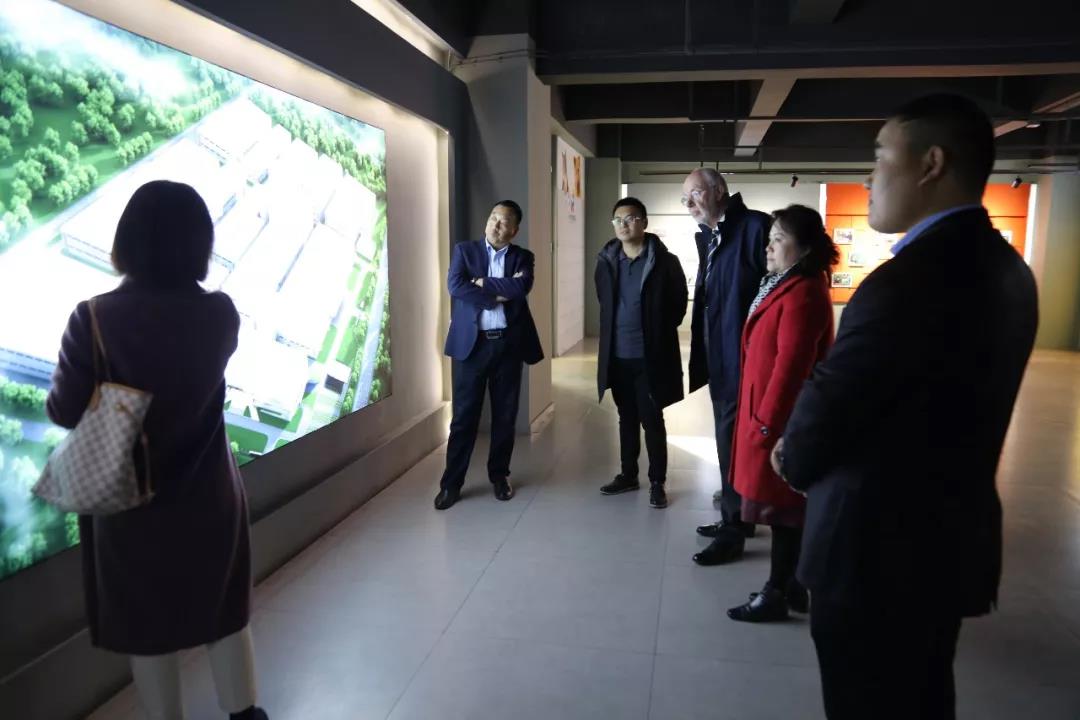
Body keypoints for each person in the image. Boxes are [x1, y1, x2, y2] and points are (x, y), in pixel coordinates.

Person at [773, 94, 1038, 719]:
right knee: (920, 694)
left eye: (880, 157)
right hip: (942, 540)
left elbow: (836, 397)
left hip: (875, 551)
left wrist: (791, 455)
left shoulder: (907, 282)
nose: (869, 179)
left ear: (931, 163)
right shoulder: (1005, 268)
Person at [46, 181, 268, 720]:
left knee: (148, 632)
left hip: (131, 510)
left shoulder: (93, 318)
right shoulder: (221, 314)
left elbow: (64, 410)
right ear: (200, 243)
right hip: (212, 499)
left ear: (127, 239)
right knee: (224, 616)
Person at [724, 205, 837, 623]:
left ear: (804, 248)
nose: (768, 247)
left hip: (780, 421)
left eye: (778, 240)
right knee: (782, 509)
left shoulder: (804, 292)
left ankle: (777, 591)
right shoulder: (784, 284)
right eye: (769, 239)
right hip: (768, 414)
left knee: (783, 509)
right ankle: (791, 586)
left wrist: (766, 425)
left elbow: (791, 369)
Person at [681, 168, 771, 565]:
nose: (689, 204)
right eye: (685, 198)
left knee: (737, 440)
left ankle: (735, 528)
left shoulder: (755, 229)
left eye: (696, 194)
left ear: (719, 191)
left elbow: (774, 291)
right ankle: (739, 515)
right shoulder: (712, 235)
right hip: (720, 355)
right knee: (727, 438)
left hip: (746, 358)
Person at [435, 200, 544, 510]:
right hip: (472, 348)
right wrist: (495, 296)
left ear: (514, 230)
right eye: (493, 217)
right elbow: (456, 286)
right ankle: (451, 484)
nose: (496, 224)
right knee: (463, 419)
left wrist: (483, 283)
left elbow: (521, 287)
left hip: (508, 346)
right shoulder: (465, 251)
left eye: (504, 220)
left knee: (505, 417)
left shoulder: (523, 257)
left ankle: (499, 476)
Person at [594, 197, 688, 509]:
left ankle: (657, 481)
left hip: (651, 357)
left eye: (631, 218)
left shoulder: (665, 262)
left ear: (644, 223)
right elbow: (604, 302)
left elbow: (678, 305)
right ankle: (628, 475)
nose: (624, 224)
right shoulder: (606, 262)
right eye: (618, 219)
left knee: (652, 418)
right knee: (626, 417)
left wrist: (656, 330)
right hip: (618, 355)